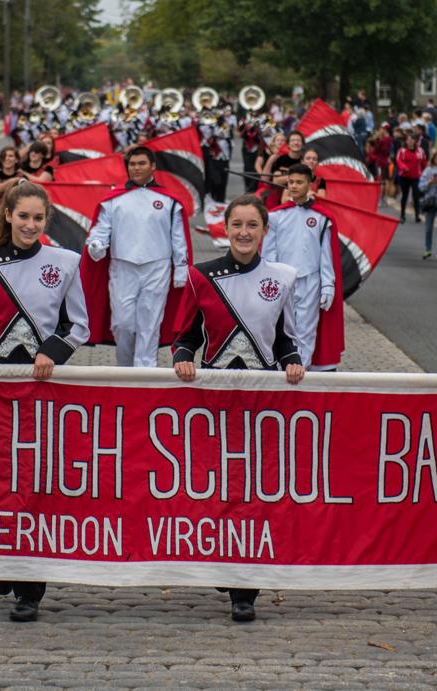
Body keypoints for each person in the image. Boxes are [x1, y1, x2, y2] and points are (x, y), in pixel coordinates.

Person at [0, 182, 89, 622]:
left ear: (45, 221)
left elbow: (77, 326)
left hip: (41, 386)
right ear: (8, 216)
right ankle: (3, 557)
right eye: (23, 216)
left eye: (38, 218)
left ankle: (31, 585)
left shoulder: (66, 263)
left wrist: (51, 351)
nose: (30, 225)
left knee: (36, 478)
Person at [172, 194, 305, 622]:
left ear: (265, 231)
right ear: (224, 229)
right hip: (213, 400)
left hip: (262, 401)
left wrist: (292, 360)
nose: (244, 232)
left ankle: (244, 588)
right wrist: (182, 357)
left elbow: (285, 337)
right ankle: (219, 559)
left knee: (252, 492)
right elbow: (185, 335)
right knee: (215, 487)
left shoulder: (283, 277)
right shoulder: (201, 277)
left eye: (252, 225)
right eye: (237, 225)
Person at [85, 146, 190, 367]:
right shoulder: (114, 199)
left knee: (149, 325)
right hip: (122, 267)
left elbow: (178, 237)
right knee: (122, 324)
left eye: (141, 163)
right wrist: (96, 244)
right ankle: (124, 371)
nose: (136, 168)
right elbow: (101, 229)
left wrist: (181, 269)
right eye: (132, 164)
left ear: (152, 166)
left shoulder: (170, 201)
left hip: (158, 266)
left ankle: (146, 375)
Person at [263, 163, 343, 370]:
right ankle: (281, 371)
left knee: (306, 329)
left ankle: (302, 371)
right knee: (281, 327)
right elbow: (268, 252)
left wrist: (328, 285)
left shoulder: (321, 217)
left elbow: (327, 256)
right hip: (283, 280)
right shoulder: (276, 216)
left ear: (311, 184)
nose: (294, 186)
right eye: (291, 182)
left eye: (299, 182)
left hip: (311, 279)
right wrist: (267, 278)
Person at [395, 134, 426, 223]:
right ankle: (402, 214)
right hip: (404, 176)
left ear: (415, 141)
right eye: (408, 140)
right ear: (406, 141)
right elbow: (398, 160)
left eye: (412, 139)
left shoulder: (420, 151)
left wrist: (425, 173)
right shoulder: (402, 151)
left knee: (416, 196)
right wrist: (404, 167)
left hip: (416, 177)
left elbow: (424, 163)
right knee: (404, 195)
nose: (410, 141)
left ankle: (417, 215)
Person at [0, 146, 21, 224]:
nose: (7, 158)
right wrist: (11, 182)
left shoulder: (21, 175)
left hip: (18, 217)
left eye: (10, 156)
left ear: (16, 160)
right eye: (4, 156)